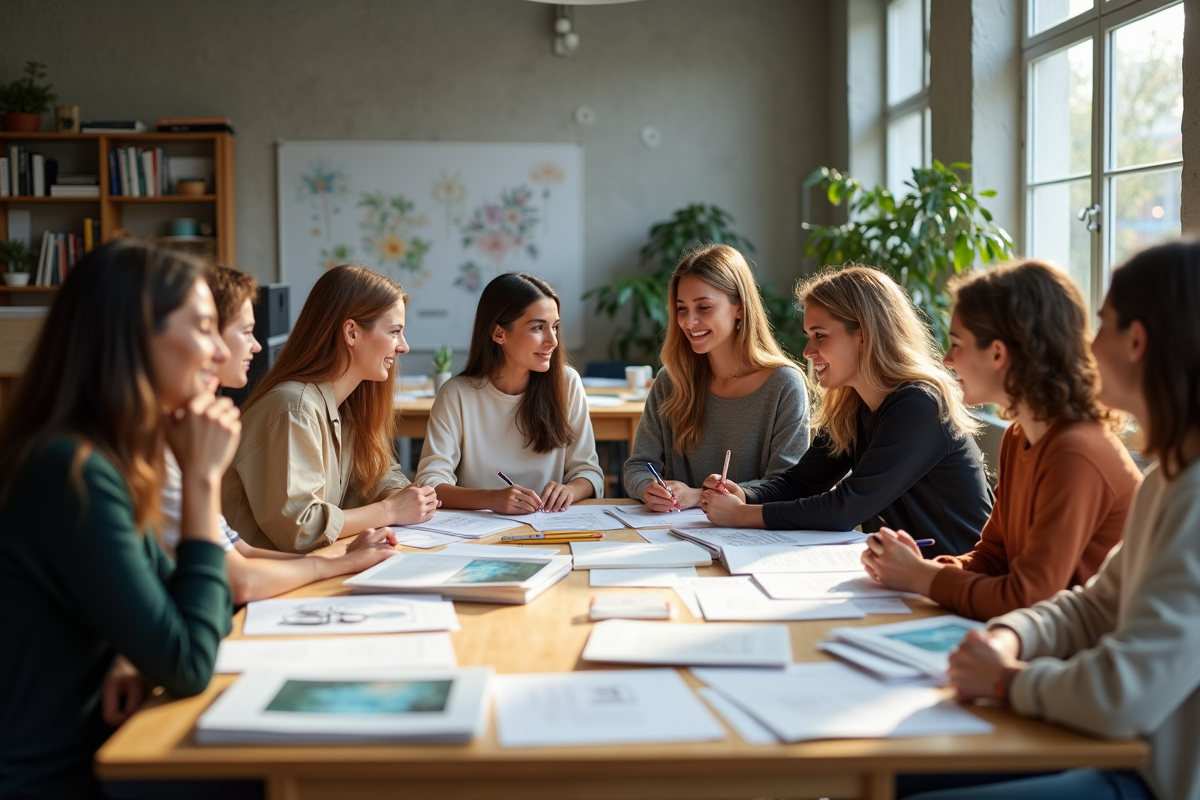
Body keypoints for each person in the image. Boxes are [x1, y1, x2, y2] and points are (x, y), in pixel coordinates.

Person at [902, 241, 1200, 800]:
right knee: (893, 772)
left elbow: (1124, 694)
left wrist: (1007, 680)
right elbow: (1093, 605)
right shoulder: (1170, 479)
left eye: (1103, 325)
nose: (1088, 345)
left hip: (1147, 774)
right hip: (1108, 736)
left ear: (1138, 342)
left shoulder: (1187, 494)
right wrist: (1011, 636)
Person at [0, 241, 236, 798]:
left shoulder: (104, 461)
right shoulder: (69, 470)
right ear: (134, 336)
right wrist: (202, 480)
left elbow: (193, 614)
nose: (218, 354)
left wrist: (133, 649)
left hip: (99, 753)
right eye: (203, 327)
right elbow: (190, 658)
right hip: (54, 780)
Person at [861, 261, 1141, 620]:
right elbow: (994, 556)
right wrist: (914, 568)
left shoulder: (1076, 451)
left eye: (957, 344)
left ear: (998, 354)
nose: (946, 359)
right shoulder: (1019, 435)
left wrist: (922, 577)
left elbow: (1029, 597)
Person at [700, 264, 992, 557]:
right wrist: (746, 496)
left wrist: (742, 515)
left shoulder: (920, 405)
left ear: (863, 334)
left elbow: (846, 508)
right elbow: (802, 482)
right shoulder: (853, 406)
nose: (807, 351)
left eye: (820, 335)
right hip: (904, 575)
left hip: (956, 578)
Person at [157, 265, 400, 603]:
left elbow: (237, 551)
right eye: (205, 331)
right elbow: (249, 570)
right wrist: (340, 556)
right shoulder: (293, 407)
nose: (255, 347)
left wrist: (337, 561)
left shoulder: (349, 404)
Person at [222, 265, 438, 553]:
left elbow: (379, 472)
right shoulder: (293, 408)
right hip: (264, 586)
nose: (404, 347)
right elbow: (301, 529)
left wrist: (399, 495)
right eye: (395, 332)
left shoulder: (349, 403)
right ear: (351, 333)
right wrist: (390, 510)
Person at [622, 244, 810, 512]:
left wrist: (698, 496)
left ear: (740, 309)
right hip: (673, 536)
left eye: (704, 307)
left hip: (753, 538)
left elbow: (788, 482)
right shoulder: (671, 380)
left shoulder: (784, 384)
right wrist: (648, 488)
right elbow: (639, 465)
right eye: (682, 308)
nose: (689, 321)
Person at [417, 272, 604, 513]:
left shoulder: (567, 383)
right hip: (478, 532)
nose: (553, 341)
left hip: (549, 528)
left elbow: (589, 473)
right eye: (538, 327)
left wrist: (570, 490)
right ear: (498, 334)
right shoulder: (456, 394)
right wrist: (491, 499)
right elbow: (431, 483)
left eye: (555, 327)